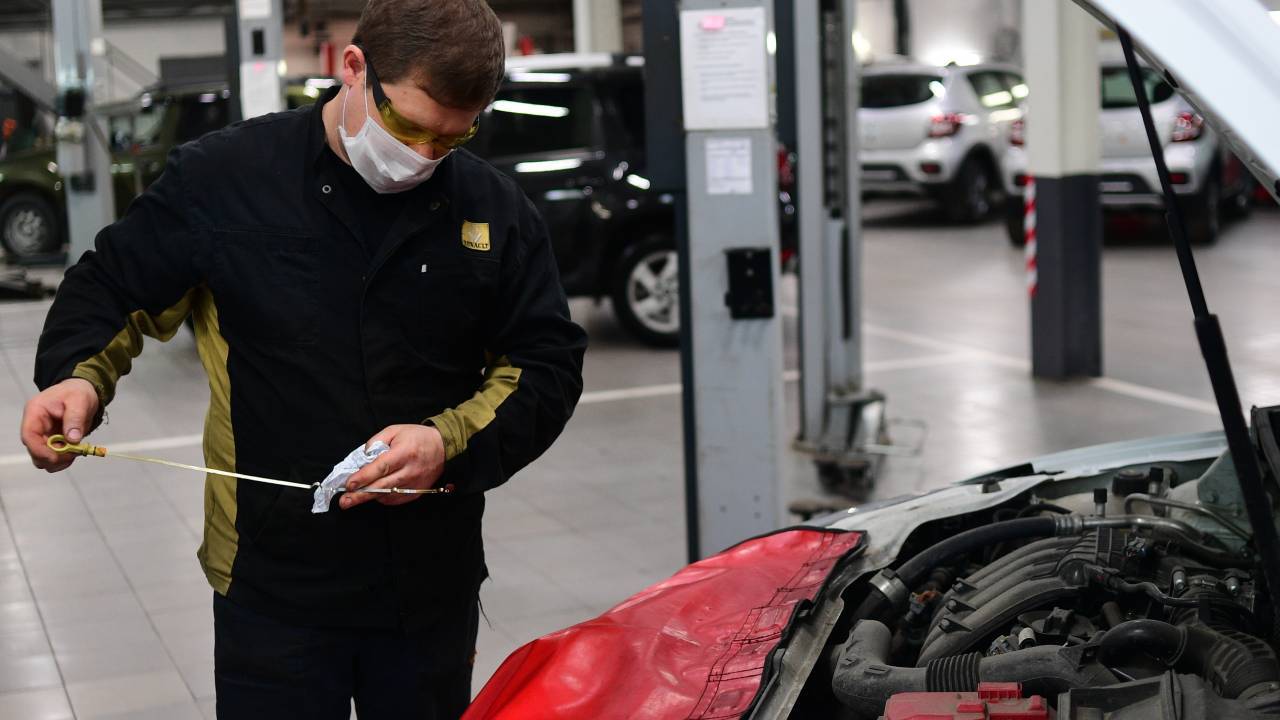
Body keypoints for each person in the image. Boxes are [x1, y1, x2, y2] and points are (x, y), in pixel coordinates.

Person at [18, 1, 587, 717]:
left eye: (453, 137)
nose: (424, 156)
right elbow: (115, 284)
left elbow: (547, 362)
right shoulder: (225, 179)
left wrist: (446, 442)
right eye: (408, 127)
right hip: (268, 581)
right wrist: (77, 376)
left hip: (425, 583)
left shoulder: (491, 208)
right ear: (353, 68)